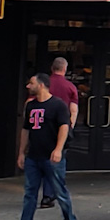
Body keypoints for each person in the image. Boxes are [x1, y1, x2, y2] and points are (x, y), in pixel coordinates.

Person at [11, 73, 76, 220]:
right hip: (33, 156)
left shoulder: (57, 105)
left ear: (41, 85)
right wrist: (21, 152)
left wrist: (58, 149)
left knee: (60, 191)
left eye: (31, 83)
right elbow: (26, 130)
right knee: (30, 192)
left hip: (50, 156)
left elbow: (64, 127)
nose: (28, 86)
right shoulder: (30, 106)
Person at [40, 57, 80, 209]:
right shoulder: (70, 87)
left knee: (43, 161)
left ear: (52, 68)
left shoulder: (43, 85)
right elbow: (74, 110)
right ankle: (55, 194)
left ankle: (46, 195)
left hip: (42, 129)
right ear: (64, 69)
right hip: (60, 129)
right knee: (58, 163)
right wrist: (70, 127)